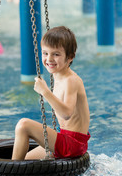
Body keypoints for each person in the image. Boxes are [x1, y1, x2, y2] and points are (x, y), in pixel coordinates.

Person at [11, 26, 90, 160]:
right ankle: (13, 170)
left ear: (70, 57)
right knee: (24, 160)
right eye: (45, 53)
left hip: (72, 144)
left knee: (23, 125)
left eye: (56, 54)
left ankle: (9, 175)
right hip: (66, 138)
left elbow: (66, 114)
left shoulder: (72, 80)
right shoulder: (58, 76)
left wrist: (45, 91)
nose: (49, 59)